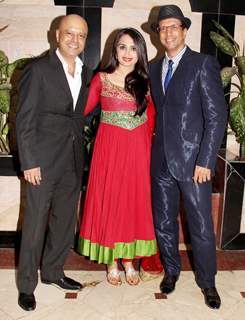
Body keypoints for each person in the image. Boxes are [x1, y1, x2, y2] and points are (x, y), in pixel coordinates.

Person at [149, 5, 227, 309]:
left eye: (174, 27)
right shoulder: (155, 68)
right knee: (164, 221)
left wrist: (206, 161)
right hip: (160, 161)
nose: (168, 32)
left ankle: (208, 282)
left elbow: (216, 117)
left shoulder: (203, 64)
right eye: (163, 28)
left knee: (201, 227)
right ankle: (171, 270)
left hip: (195, 163)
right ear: (158, 34)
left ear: (184, 30)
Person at [16, 14, 93, 311]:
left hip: (72, 160)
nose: (75, 39)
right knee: (35, 225)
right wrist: (30, 161)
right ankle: (26, 286)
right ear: (56, 34)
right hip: (42, 163)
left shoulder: (85, 72)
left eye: (82, 35)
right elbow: (24, 120)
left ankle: (52, 272)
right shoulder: (38, 70)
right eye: (70, 33)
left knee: (63, 222)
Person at [78, 28, 157, 286]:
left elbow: (153, 118)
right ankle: (112, 261)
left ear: (140, 53)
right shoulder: (101, 79)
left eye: (133, 48)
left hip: (138, 152)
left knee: (133, 203)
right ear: (114, 50)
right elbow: (82, 111)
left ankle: (129, 261)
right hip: (109, 152)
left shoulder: (145, 80)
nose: (127, 53)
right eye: (122, 47)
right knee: (111, 200)